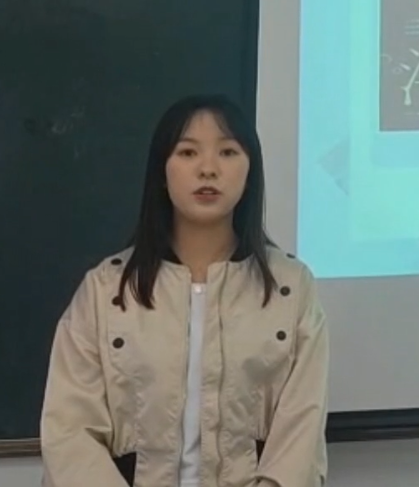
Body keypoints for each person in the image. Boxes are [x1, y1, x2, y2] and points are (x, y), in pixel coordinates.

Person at [39, 94, 329, 487]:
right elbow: (70, 429)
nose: (208, 169)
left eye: (228, 152)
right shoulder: (105, 290)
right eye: (188, 152)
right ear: (162, 170)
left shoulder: (290, 288)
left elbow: (302, 428)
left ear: (250, 171)